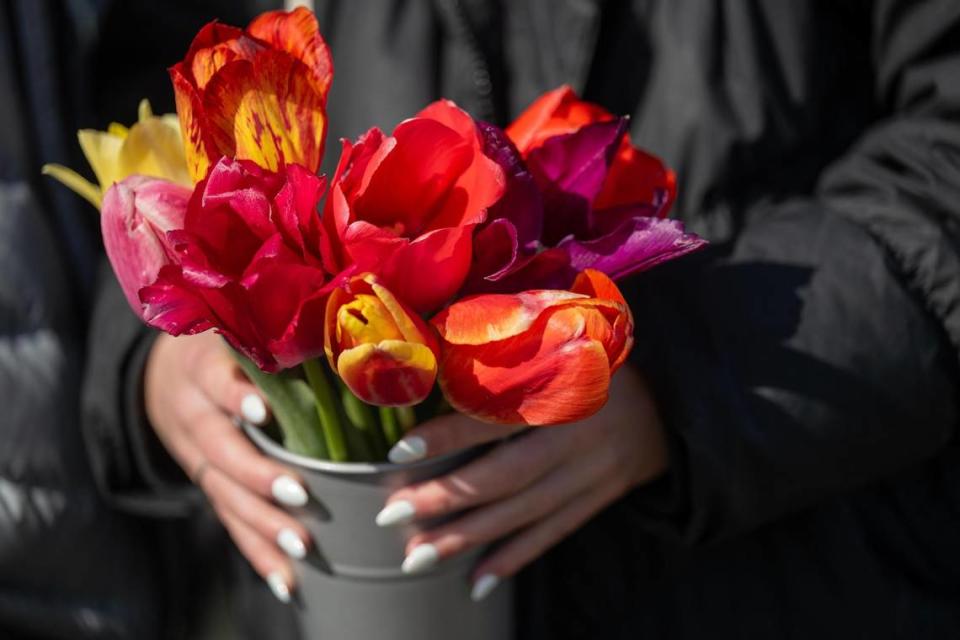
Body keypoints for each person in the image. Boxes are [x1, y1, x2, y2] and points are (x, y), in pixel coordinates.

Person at [82, 1, 960, 638]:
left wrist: (690, 374)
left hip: (781, 561)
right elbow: (144, 68)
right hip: (323, 563)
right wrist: (155, 345)